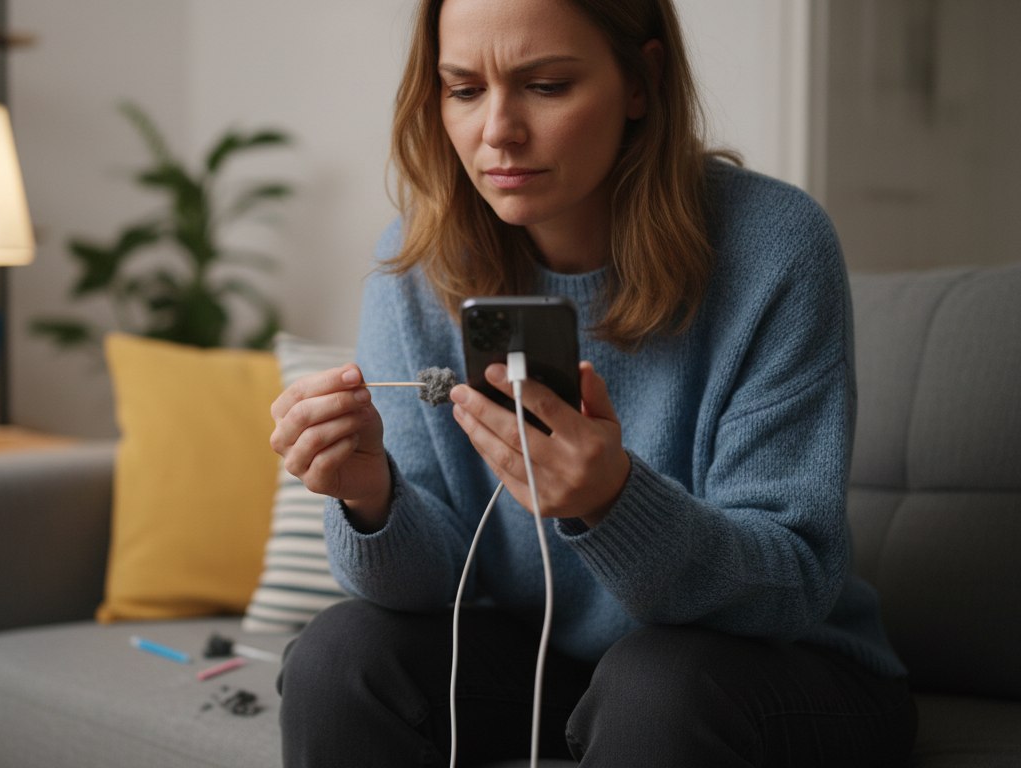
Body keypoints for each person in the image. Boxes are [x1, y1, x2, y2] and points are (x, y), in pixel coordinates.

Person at [268, 0, 917, 765]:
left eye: (545, 86)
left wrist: (615, 503)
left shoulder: (775, 248)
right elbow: (426, 583)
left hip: (770, 669)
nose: (497, 131)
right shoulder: (418, 267)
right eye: (464, 89)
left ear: (642, 80)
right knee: (339, 657)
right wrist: (370, 499)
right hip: (558, 664)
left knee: (654, 686)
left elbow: (794, 583)